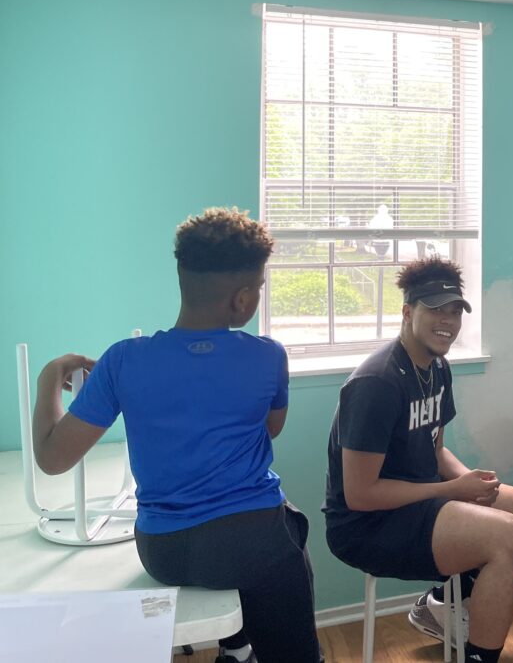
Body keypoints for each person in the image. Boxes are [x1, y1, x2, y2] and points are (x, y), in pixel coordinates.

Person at [31, 207, 321, 663]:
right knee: (289, 531)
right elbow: (271, 428)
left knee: (272, 530)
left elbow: (51, 458)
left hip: (164, 552)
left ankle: (239, 646)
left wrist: (50, 375)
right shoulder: (267, 357)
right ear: (242, 299)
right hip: (251, 546)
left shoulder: (122, 360)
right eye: (260, 288)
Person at [324, 256, 513, 663]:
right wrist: (455, 490)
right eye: (435, 309)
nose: (447, 321)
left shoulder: (436, 368)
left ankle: (438, 603)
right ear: (407, 311)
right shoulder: (376, 383)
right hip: (369, 525)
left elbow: (435, 450)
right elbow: (361, 495)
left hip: (424, 502)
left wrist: (469, 480)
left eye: (454, 312)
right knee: (507, 536)